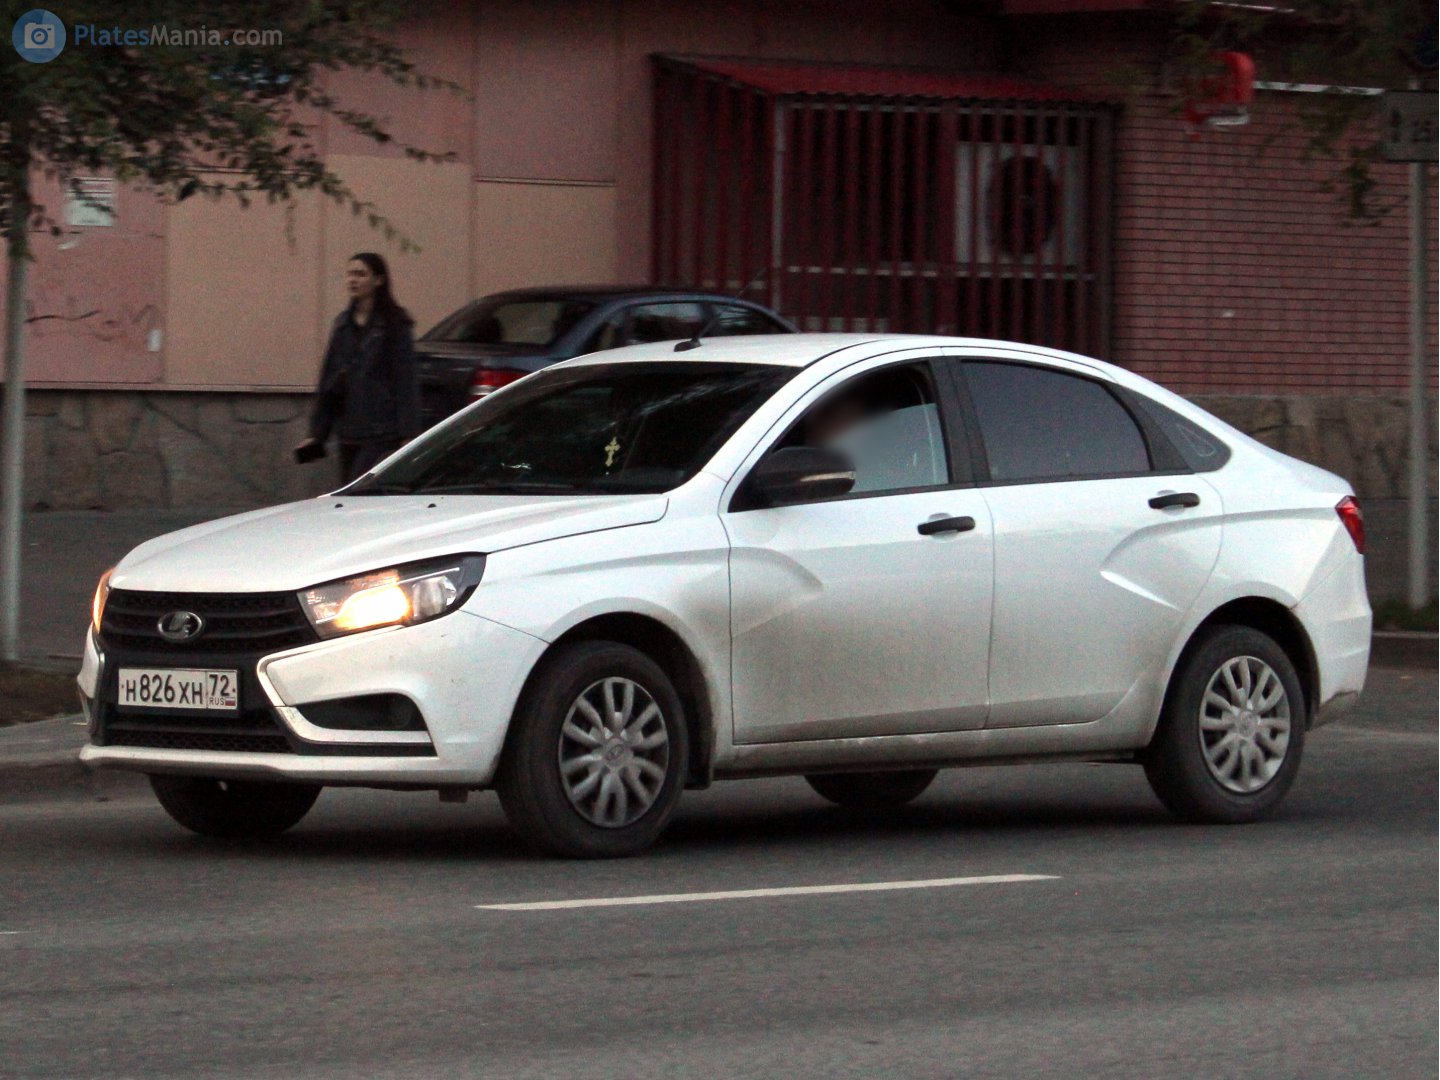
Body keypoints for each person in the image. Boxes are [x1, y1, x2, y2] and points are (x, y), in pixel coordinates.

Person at [296, 252, 420, 485]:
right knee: (349, 491)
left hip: (382, 431)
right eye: (349, 274)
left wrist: (408, 434)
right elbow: (329, 381)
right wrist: (317, 433)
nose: (352, 280)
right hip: (349, 430)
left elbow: (406, 381)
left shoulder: (395, 324)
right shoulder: (343, 325)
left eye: (361, 274)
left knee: (358, 489)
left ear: (378, 280)